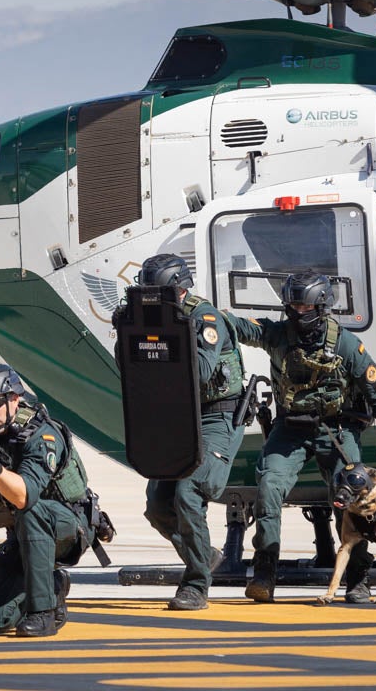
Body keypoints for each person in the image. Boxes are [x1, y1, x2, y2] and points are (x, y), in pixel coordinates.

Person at [225, 270, 376, 604]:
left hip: (336, 429)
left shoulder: (346, 344)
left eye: (304, 306)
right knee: (269, 486)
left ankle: (358, 577)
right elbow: (242, 328)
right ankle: (264, 573)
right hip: (290, 430)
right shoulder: (277, 335)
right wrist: (205, 314)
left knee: (353, 493)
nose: (297, 312)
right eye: (292, 305)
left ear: (321, 306)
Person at [133, 253, 248, 612]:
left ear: (180, 290)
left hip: (216, 417)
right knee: (158, 506)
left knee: (188, 491)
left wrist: (165, 337)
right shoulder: (150, 317)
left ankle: (197, 584)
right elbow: (133, 367)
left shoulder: (204, 317)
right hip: (178, 418)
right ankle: (204, 556)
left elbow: (198, 371)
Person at [0, 363, 96, 637]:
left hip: (66, 530)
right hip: (23, 537)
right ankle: (52, 586)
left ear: (15, 399)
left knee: (32, 511)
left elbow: (24, 497)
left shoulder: (41, 436)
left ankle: (42, 612)